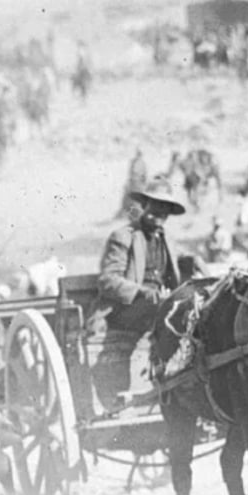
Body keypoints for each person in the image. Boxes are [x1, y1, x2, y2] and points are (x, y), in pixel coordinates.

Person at [92, 174, 190, 411]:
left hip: (160, 309)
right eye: (155, 209)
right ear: (144, 206)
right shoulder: (123, 237)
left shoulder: (169, 240)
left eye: (164, 212)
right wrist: (143, 292)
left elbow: (178, 269)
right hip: (125, 311)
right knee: (166, 310)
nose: (158, 217)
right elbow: (108, 280)